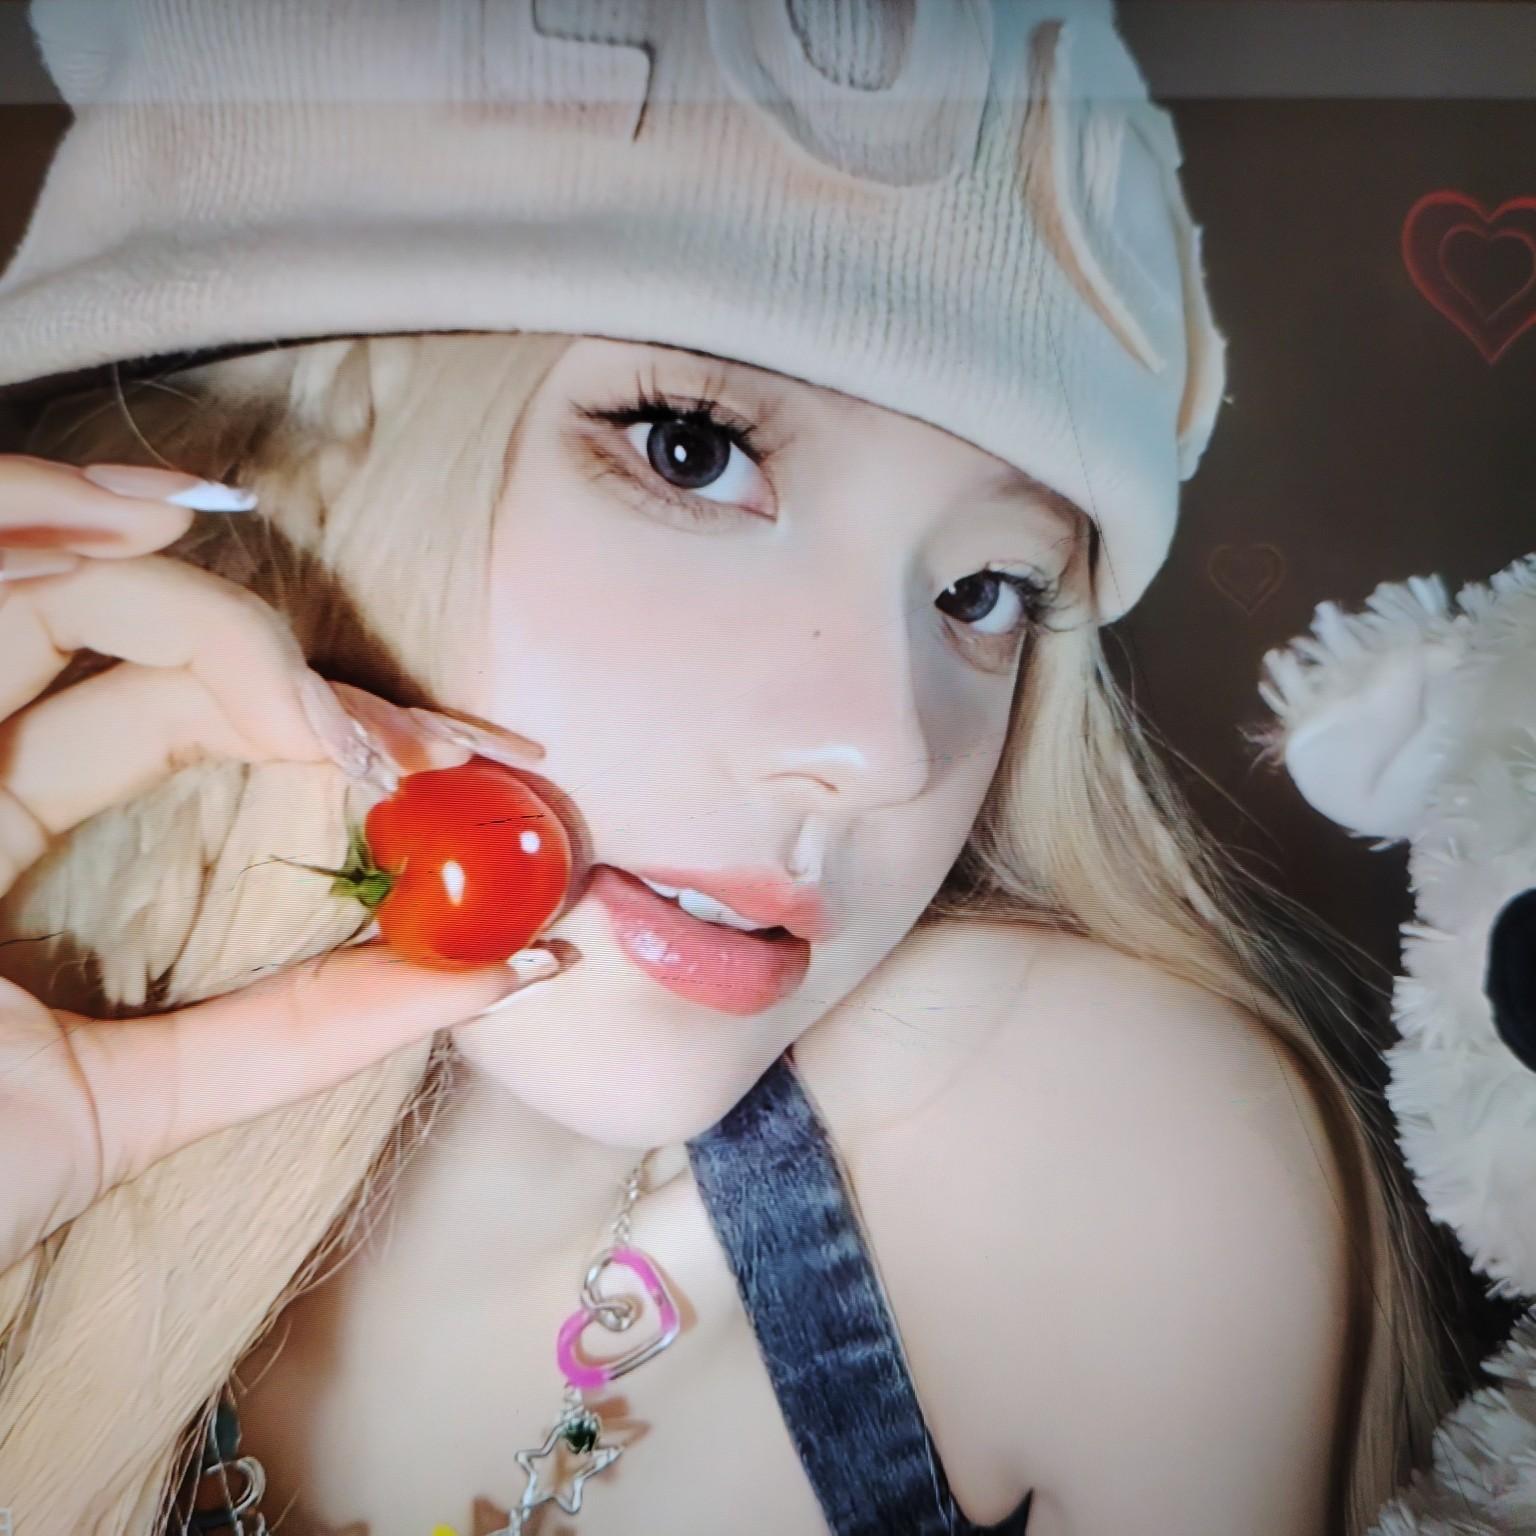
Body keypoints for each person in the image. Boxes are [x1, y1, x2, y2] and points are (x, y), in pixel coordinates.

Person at [0, 2, 1449, 1533]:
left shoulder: (1082, 1157)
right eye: (691, 449)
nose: (881, 751)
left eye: (984, 591)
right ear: (311, 428)